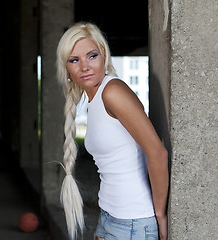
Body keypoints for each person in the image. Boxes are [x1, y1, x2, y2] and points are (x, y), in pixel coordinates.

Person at [56, 22, 169, 240]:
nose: (85, 66)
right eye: (74, 60)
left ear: (104, 55)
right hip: (109, 215)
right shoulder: (95, 98)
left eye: (92, 56)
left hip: (134, 222)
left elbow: (157, 152)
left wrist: (160, 214)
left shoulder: (112, 91)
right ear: (67, 68)